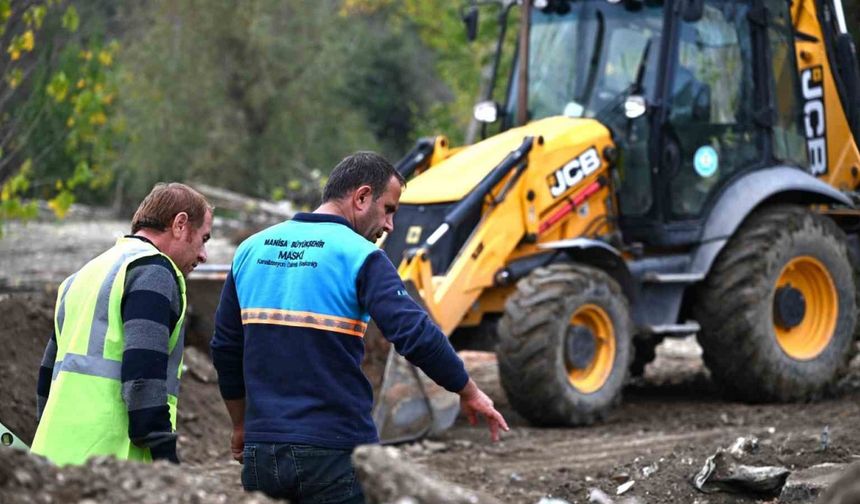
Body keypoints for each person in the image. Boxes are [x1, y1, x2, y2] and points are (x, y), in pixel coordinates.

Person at [210, 152, 509, 503]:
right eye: (389, 209)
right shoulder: (359, 255)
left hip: (263, 454)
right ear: (362, 197)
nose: (390, 226)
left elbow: (226, 347)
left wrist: (242, 425)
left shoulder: (250, 250)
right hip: (335, 451)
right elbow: (414, 332)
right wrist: (468, 390)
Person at [30, 183, 213, 467]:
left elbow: (47, 374)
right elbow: (143, 377)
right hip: (110, 459)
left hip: (52, 455)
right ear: (180, 224)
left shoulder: (82, 276)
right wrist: (166, 461)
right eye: (203, 239)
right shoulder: (153, 272)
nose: (203, 255)